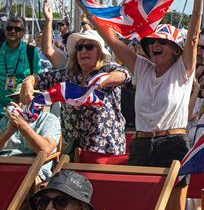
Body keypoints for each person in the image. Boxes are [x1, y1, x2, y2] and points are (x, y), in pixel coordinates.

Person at [93, 0, 204, 210]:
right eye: (152, 42)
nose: (155, 45)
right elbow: (112, 41)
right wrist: (91, 11)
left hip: (173, 145)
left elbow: (192, 38)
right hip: (142, 145)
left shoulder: (183, 70)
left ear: (175, 50)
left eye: (163, 43)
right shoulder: (140, 67)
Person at [20, 29, 130, 159]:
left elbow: (124, 75)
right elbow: (40, 78)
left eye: (89, 47)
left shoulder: (107, 69)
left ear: (99, 52)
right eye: (79, 47)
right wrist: (28, 82)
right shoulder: (69, 74)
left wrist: (99, 82)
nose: (83, 51)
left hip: (104, 150)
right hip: (72, 150)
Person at [0, 100, 61, 180]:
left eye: (28, 100)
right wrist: (9, 132)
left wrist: (21, 125)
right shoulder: (4, 121)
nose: (20, 103)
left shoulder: (48, 119)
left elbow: (45, 149)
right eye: (16, 99)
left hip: (33, 168)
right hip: (4, 165)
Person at [0, 17, 41, 113]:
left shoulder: (31, 51)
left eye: (17, 29)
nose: (13, 31)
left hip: (23, 111)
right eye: (9, 28)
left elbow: (38, 78)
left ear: (23, 33)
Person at [39, 0, 68, 69]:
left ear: (67, 26)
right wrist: (49, 20)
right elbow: (47, 50)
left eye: (89, 47)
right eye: (59, 25)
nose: (83, 50)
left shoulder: (69, 36)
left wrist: (61, 47)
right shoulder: (68, 65)